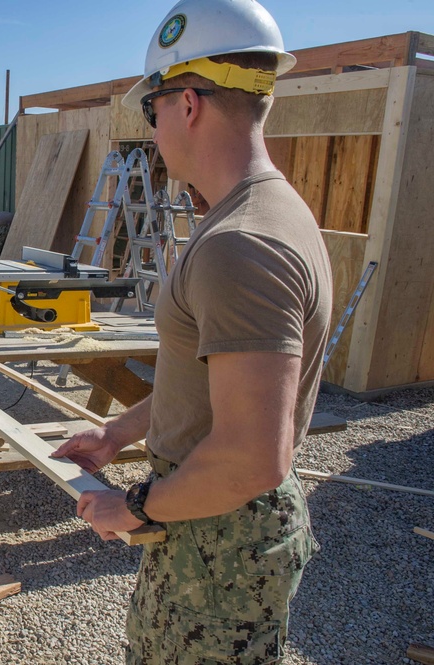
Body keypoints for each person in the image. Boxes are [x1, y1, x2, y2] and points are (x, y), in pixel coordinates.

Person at [53, 1, 332, 662]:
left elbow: (250, 455)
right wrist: (118, 432)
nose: (152, 132)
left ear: (187, 103)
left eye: (151, 112)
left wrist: (139, 505)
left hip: (218, 544)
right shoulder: (266, 213)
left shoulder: (241, 243)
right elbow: (207, 385)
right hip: (208, 524)